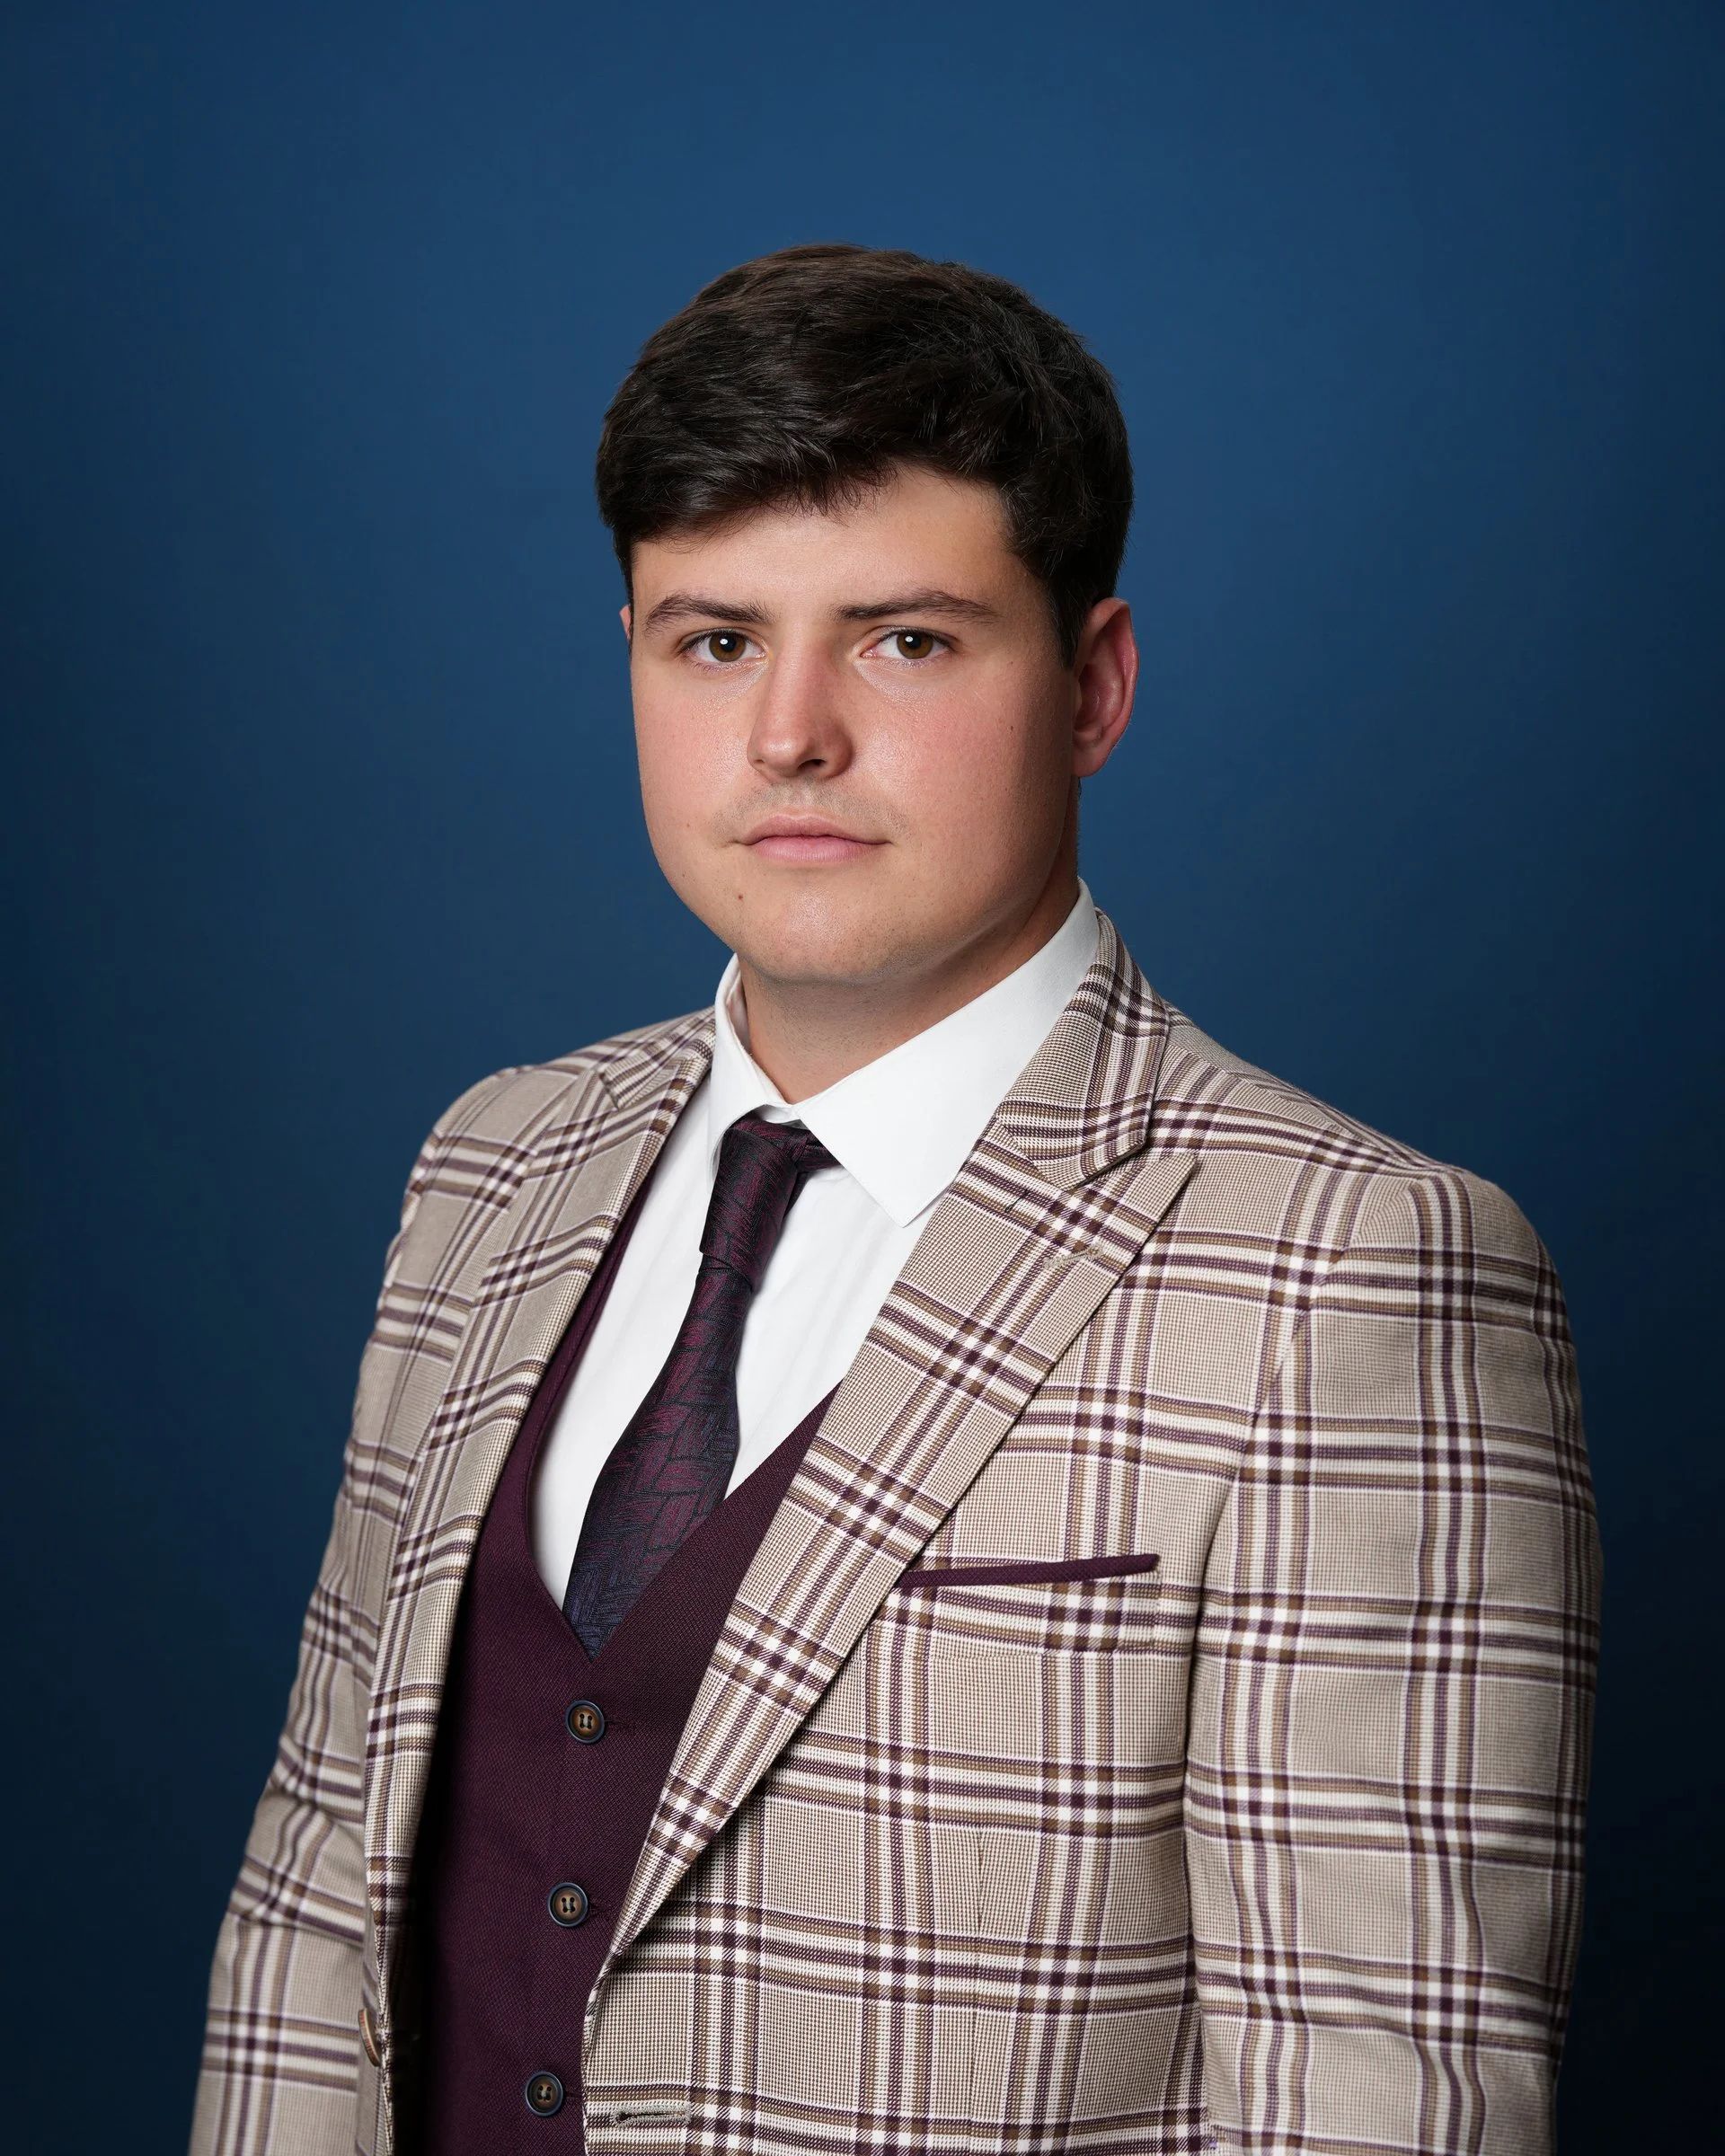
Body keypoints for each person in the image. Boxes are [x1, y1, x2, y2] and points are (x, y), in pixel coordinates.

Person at [190, 242, 1601, 2156]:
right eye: (713, 640)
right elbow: (307, 1928)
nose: (790, 735)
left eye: (906, 639)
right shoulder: (492, 1167)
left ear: (1092, 685)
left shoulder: (1354, 1274)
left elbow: (1379, 2099)